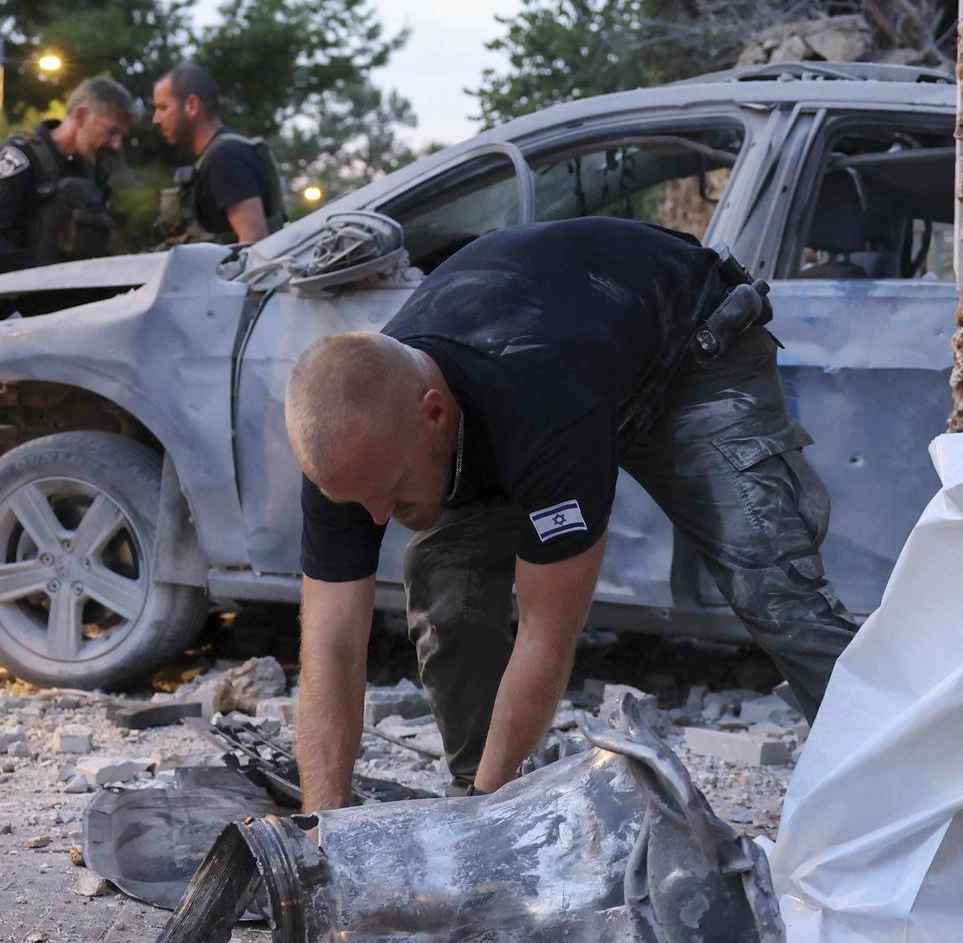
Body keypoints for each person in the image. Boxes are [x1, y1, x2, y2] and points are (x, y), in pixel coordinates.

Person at [285, 216, 856, 811]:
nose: (378, 516)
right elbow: (331, 648)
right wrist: (319, 827)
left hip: (690, 353)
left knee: (775, 589)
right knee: (447, 583)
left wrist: (485, 824)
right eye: (358, 500)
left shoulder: (541, 408)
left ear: (433, 414)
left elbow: (546, 634)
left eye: (392, 488)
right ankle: (479, 786)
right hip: (549, 367)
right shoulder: (355, 447)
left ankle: (907, 780)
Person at [0, 77, 140, 272]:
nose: (116, 145)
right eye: (111, 132)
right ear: (81, 116)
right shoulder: (21, 158)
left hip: (77, 299)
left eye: (121, 136)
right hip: (20, 298)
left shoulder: (95, 174)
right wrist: (44, 279)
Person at [151, 63, 285, 245]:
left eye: (163, 108)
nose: (156, 119)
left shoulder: (226, 158)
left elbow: (254, 242)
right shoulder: (217, 156)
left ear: (191, 105)